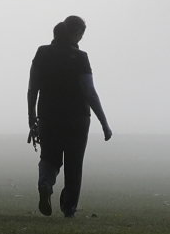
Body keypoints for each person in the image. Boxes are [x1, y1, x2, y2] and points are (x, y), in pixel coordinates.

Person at [26, 15, 111, 217]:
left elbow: (32, 89)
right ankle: (69, 208)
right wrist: (104, 122)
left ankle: (45, 184)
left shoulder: (42, 53)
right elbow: (89, 92)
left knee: (49, 157)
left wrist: (31, 117)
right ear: (78, 34)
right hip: (77, 118)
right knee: (74, 164)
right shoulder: (80, 58)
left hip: (48, 115)